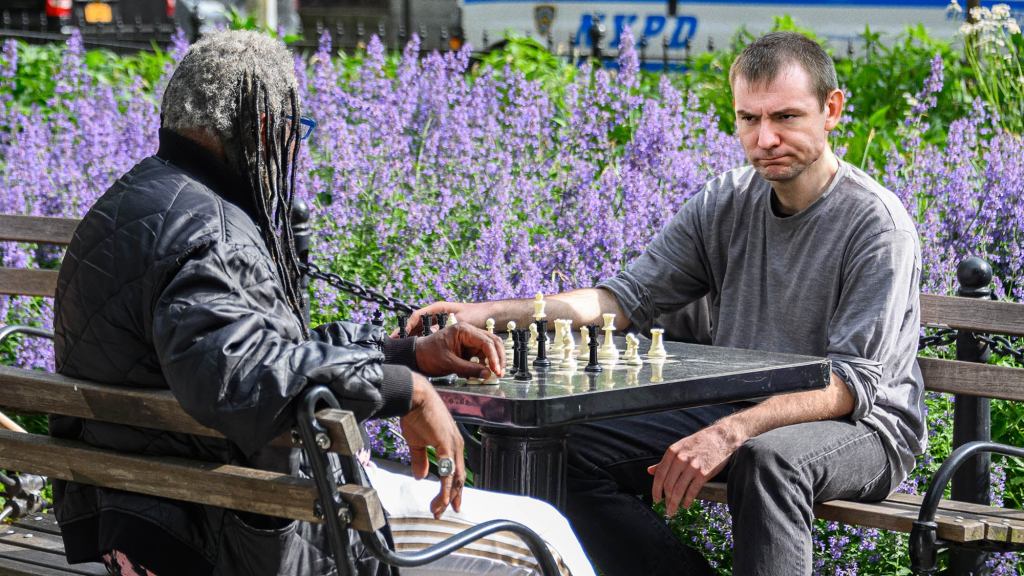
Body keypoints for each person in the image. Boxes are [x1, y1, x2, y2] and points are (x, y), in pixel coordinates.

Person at [52, 30, 593, 576]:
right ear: (263, 128)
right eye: (294, 132)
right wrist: (404, 390)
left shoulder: (130, 204)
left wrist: (407, 354)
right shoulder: (210, 229)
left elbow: (262, 347)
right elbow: (241, 372)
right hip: (242, 531)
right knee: (541, 540)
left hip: (158, 518)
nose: (293, 151)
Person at [409, 31, 924, 575]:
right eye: (749, 119)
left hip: (865, 426)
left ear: (832, 110)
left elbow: (851, 382)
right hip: (745, 405)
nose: (766, 138)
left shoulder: (876, 224)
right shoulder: (725, 200)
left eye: (786, 117)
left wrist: (731, 430)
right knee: (562, 449)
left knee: (767, 462)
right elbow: (621, 299)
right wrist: (483, 314)